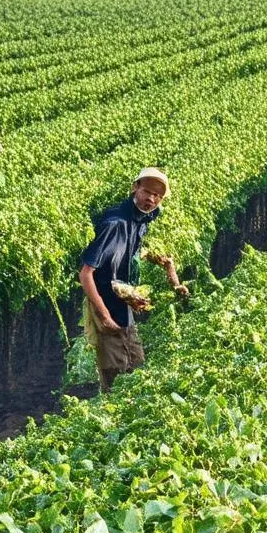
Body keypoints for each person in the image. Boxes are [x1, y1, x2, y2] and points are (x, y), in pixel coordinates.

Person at [79, 167, 188, 392]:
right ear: (134, 187)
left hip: (122, 303)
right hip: (106, 305)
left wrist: (169, 272)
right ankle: (109, 420)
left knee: (136, 366)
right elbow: (85, 273)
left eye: (157, 196)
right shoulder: (115, 223)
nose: (151, 199)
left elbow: (137, 251)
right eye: (147, 191)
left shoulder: (142, 219)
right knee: (116, 376)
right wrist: (105, 316)